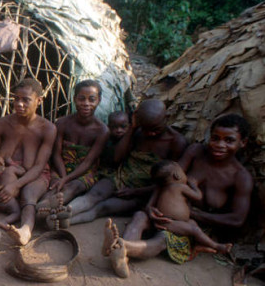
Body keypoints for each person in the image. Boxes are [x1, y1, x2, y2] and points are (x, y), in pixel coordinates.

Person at [103, 114, 253, 277]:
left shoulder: (240, 177)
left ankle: (123, 247)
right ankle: (121, 258)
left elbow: (236, 219)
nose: (219, 145)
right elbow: (167, 179)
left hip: (192, 226)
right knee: (140, 216)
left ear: (242, 143)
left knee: (163, 237)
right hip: (164, 212)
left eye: (229, 140)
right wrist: (151, 206)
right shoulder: (196, 152)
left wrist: (192, 214)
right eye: (215, 138)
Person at [68, 99, 187, 225]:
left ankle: (66, 221)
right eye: (145, 129)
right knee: (93, 196)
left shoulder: (176, 143)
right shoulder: (138, 132)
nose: (150, 134)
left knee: (103, 207)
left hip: (142, 192)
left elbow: (171, 183)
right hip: (120, 177)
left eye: (155, 129)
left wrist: (136, 191)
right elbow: (117, 158)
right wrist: (132, 128)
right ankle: (62, 213)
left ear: (166, 118)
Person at [0, 78, 56, 245]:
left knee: (28, 195)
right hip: (7, 173)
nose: (19, 104)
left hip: (35, 175)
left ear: (39, 101)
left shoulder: (48, 128)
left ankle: (26, 230)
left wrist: (16, 186)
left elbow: (38, 166)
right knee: (3, 184)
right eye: (16, 99)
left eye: (26, 100)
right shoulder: (1, 124)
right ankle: (16, 210)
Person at [38, 80, 109, 222]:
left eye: (92, 99)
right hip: (61, 167)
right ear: (74, 98)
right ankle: (41, 209)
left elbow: (89, 162)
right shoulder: (63, 123)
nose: (86, 103)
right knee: (54, 186)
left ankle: (52, 213)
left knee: (74, 186)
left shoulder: (102, 131)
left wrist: (66, 180)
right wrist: (63, 177)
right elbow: (56, 154)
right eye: (81, 99)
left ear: (99, 100)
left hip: (85, 171)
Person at [147, 160, 232, 254]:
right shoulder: (181, 187)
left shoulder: (161, 188)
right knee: (195, 230)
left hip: (168, 221)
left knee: (193, 223)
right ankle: (216, 246)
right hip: (170, 222)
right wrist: (194, 185)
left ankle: (197, 244)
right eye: (183, 172)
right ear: (177, 175)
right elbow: (198, 196)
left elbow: (149, 206)